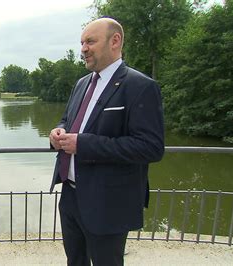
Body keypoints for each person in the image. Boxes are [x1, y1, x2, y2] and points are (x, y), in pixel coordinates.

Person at [49, 17, 164, 266]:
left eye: (90, 41)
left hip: (108, 203)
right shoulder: (81, 84)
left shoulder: (140, 86)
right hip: (70, 197)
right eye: (82, 43)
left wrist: (84, 144)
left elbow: (151, 147)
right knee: (75, 261)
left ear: (115, 41)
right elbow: (66, 121)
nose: (83, 49)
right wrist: (57, 133)